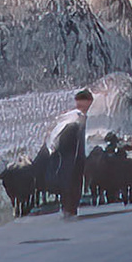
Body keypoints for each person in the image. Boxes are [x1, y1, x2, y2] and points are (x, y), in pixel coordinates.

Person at [45, 88, 92, 218]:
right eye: (87, 102)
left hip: (76, 157)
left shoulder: (80, 117)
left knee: (74, 183)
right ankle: (69, 209)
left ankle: (71, 209)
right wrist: (53, 148)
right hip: (70, 157)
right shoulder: (74, 117)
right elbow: (56, 133)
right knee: (70, 182)